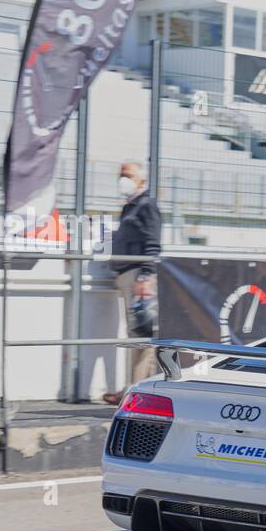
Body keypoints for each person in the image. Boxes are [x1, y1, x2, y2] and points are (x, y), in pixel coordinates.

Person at [102, 160, 162, 405]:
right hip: (129, 274)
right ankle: (137, 390)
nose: (122, 178)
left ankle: (135, 392)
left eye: (127, 174)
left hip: (139, 275)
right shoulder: (131, 206)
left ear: (141, 180)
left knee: (141, 336)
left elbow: (153, 243)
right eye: (120, 174)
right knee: (136, 335)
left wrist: (146, 277)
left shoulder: (146, 205)